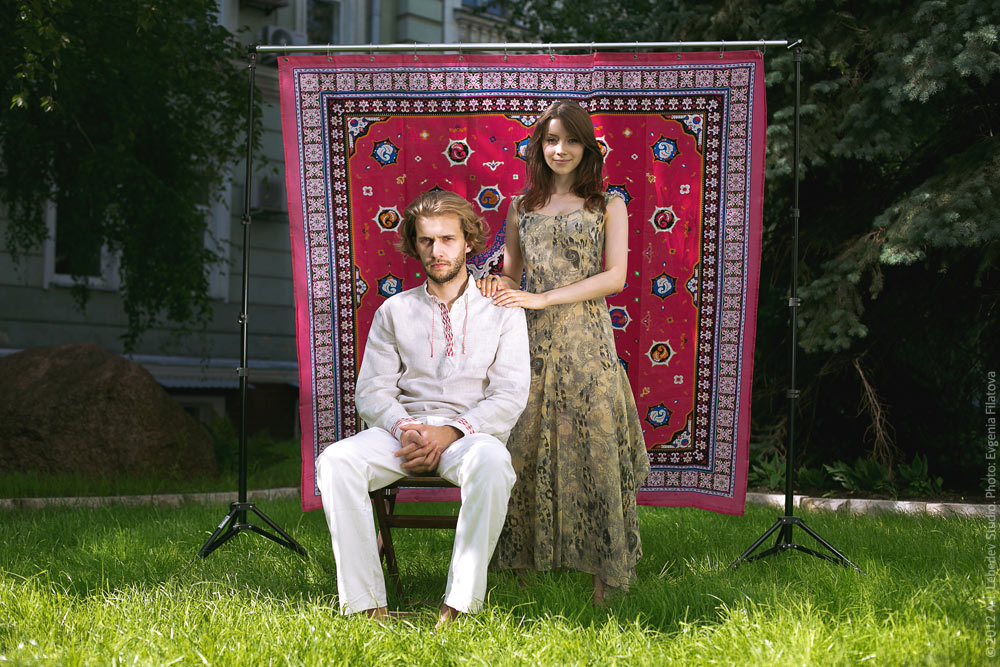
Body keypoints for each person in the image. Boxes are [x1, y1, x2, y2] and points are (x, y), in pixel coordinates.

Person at [315, 190, 530, 624]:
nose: (437, 250)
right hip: (404, 435)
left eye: (448, 239)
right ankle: (367, 607)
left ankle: (459, 606)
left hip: (469, 438)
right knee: (336, 461)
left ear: (468, 242)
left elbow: (510, 394)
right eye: (427, 240)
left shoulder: (502, 311)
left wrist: (449, 432)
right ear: (414, 245)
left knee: (493, 463)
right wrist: (408, 430)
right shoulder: (394, 311)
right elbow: (371, 391)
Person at [479, 100, 650, 605]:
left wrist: (544, 297)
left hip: (587, 340)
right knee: (523, 445)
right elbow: (513, 275)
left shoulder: (608, 204)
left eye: (571, 140)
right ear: (539, 146)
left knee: (595, 449)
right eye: (552, 140)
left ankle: (606, 575)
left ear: (587, 147)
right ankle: (519, 569)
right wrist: (490, 286)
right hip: (529, 342)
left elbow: (614, 277)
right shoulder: (520, 206)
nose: (561, 150)